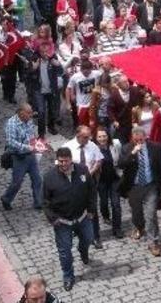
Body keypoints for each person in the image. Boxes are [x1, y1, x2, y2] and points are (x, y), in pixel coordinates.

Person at [42, 146, 96, 292]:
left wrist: (91, 210)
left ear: (71, 159)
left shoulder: (82, 170)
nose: (64, 164)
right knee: (65, 251)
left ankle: (83, 250)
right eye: (61, 161)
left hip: (82, 217)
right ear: (57, 161)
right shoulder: (49, 177)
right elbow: (45, 202)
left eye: (66, 161)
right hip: (62, 221)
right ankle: (68, 276)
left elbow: (91, 190)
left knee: (89, 238)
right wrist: (53, 219)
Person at [118, 126, 161, 256]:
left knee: (151, 214)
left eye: (141, 139)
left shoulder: (155, 148)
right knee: (137, 214)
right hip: (135, 186)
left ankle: (153, 242)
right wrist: (132, 153)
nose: (139, 142)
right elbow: (121, 164)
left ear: (145, 137)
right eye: (136, 140)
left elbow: (160, 168)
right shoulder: (127, 148)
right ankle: (139, 227)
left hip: (150, 186)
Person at [64, 125, 104, 249]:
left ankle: (96, 236)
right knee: (76, 208)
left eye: (89, 137)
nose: (88, 139)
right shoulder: (68, 147)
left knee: (92, 208)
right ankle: (78, 230)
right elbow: (61, 164)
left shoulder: (92, 145)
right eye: (85, 137)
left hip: (89, 181)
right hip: (74, 182)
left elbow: (99, 160)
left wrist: (89, 173)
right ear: (78, 135)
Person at [1, 103, 43, 210]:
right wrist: (28, 147)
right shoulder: (11, 124)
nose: (31, 115)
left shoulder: (29, 121)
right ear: (21, 113)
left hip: (30, 155)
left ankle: (38, 202)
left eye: (31, 112)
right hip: (18, 156)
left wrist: (37, 145)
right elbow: (11, 143)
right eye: (28, 113)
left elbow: (31, 135)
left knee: (37, 179)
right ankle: (6, 199)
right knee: (17, 182)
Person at [95, 127, 124, 239]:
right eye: (99, 137)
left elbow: (120, 158)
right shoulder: (94, 148)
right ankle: (105, 215)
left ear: (108, 136)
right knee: (103, 202)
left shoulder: (115, 144)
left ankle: (117, 228)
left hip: (114, 178)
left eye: (104, 136)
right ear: (96, 138)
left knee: (116, 204)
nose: (102, 139)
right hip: (101, 180)